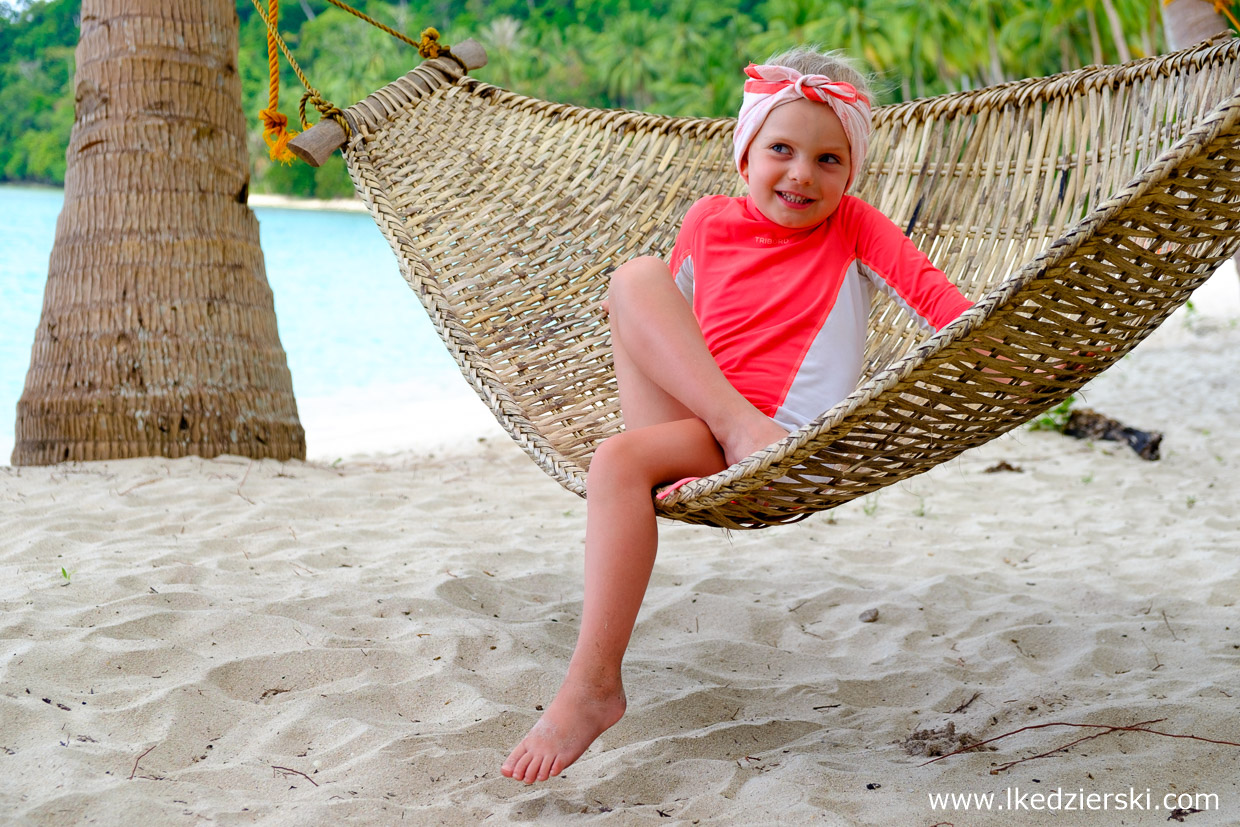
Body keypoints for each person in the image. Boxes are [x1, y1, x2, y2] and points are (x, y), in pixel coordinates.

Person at [501, 46, 973, 785]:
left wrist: (1030, 355)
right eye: (780, 149)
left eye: (828, 159)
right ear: (744, 153)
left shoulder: (854, 226)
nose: (801, 174)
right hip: (713, 423)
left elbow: (947, 309)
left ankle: (593, 686)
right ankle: (730, 424)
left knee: (616, 462)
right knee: (634, 277)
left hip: (784, 430)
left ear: (851, 175)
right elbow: (655, 326)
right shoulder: (707, 219)